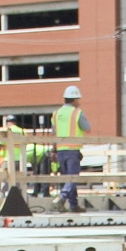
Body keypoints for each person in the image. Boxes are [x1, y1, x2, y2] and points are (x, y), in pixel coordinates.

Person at [53, 85, 90, 213]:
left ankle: (73, 205)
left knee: (67, 178)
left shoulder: (56, 114)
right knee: (73, 177)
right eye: (78, 99)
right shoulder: (77, 113)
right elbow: (87, 128)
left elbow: (54, 132)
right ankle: (62, 198)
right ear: (74, 100)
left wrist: (54, 150)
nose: (79, 102)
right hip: (72, 150)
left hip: (60, 150)